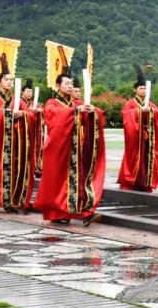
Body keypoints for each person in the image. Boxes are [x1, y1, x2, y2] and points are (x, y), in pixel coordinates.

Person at [34, 61, 105, 226]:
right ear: (58, 85)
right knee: (58, 182)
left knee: (77, 181)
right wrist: (75, 112)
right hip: (58, 151)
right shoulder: (53, 103)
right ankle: (59, 212)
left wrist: (92, 112)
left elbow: (94, 112)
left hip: (75, 151)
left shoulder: (75, 104)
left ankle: (84, 212)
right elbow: (53, 116)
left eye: (71, 83)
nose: (70, 86)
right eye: (66, 83)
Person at [0, 58, 36, 212]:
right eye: (7, 80)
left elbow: (30, 115)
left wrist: (21, 113)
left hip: (15, 142)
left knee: (13, 171)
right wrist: (5, 114)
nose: (9, 82)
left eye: (11, 80)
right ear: (0, 81)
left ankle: (10, 199)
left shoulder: (17, 99)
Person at [118, 65, 158, 192]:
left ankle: (145, 182)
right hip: (136, 136)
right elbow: (125, 115)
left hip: (147, 137)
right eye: (141, 88)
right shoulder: (130, 103)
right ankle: (131, 181)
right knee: (134, 158)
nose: (143, 91)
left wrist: (151, 111)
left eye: (145, 88)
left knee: (146, 160)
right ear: (135, 90)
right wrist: (138, 111)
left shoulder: (149, 103)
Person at [20, 78, 45, 178]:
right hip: (23, 130)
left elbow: (42, 110)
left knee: (34, 148)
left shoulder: (33, 103)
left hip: (34, 131)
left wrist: (39, 110)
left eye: (31, 91)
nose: (30, 93)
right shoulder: (20, 101)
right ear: (22, 92)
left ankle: (35, 167)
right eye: (28, 91)